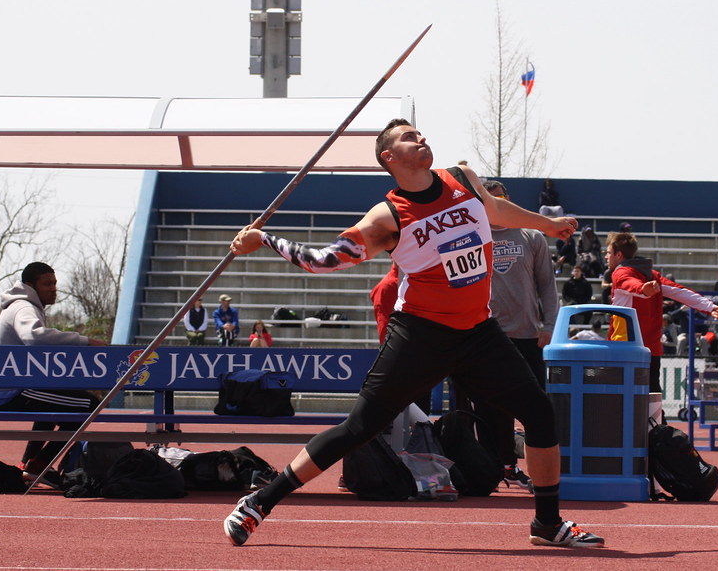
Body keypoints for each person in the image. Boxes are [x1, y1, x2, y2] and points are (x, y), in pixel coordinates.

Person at [222, 119, 604, 548]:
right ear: (390, 158)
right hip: (421, 335)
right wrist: (266, 239)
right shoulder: (388, 216)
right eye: (409, 137)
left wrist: (545, 225)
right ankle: (261, 500)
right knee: (359, 427)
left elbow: (495, 213)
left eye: (420, 133)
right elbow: (325, 261)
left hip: (478, 331)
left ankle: (547, 524)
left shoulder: (461, 178)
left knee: (538, 411)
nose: (421, 138)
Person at [0, 262, 107, 480]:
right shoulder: (24, 307)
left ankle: (28, 463)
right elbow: (34, 337)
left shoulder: (26, 306)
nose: (53, 288)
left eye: (55, 283)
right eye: (47, 283)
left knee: (55, 399)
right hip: (8, 392)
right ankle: (39, 464)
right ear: (31, 286)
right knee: (90, 405)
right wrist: (85, 342)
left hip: (5, 389)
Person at [480, 178, 559, 492]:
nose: (496, 206)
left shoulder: (532, 236)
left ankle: (542, 477)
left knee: (535, 407)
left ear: (508, 201)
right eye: (489, 200)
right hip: (485, 336)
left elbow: (547, 288)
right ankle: (496, 468)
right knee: (487, 409)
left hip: (527, 336)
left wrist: (550, 326)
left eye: (500, 199)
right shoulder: (473, 236)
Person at [605, 231, 718, 393]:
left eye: (608, 253)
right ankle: (657, 419)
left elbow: (629, 283)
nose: (606, 257)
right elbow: (680, 291)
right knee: (652, 392)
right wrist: (710, 307)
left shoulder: (621, 272)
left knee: (619, 394)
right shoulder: (652, 275)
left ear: (618, 255)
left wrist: (642, 289)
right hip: (651, 348)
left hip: (625, 347)